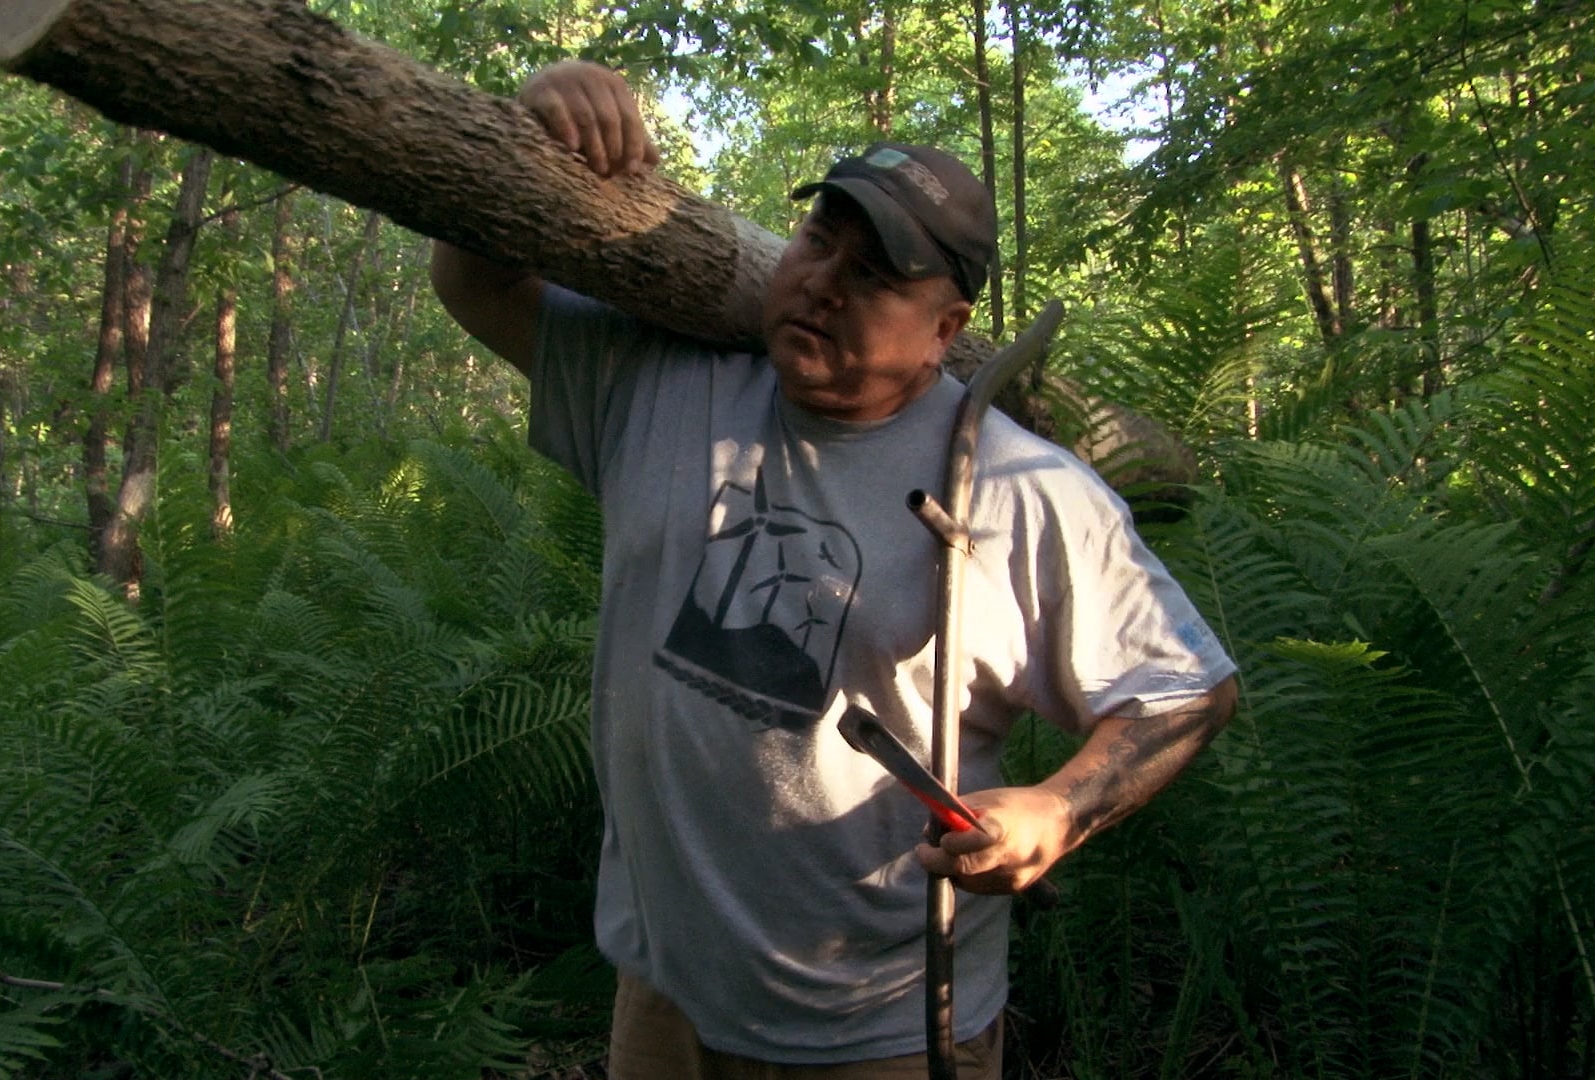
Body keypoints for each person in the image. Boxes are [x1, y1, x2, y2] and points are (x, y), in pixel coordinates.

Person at [431, 60, 1239, 1080]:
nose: (823, 282)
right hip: (665, 1002)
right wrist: (536, 112)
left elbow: (1187, 690)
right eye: (820, 240)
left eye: (876, 275)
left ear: (946, 331)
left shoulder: (1016, 487)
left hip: (887, 1035)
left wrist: (1060, 810)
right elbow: (474, 282)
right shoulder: (663, 382)